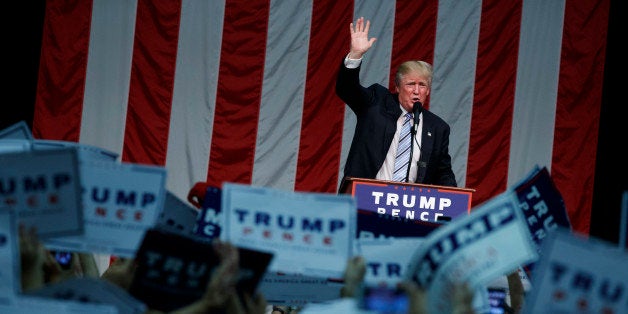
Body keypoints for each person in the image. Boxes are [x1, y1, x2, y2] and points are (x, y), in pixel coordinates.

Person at [336, 17, 457, 189]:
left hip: (409, 209)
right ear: (398, 87)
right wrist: (355, 55)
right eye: (410, 84)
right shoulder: (376, 103)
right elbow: (346, 89)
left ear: (428, 90)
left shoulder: (437, 128)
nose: (416, 91)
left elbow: (443, 172)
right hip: (365, 199)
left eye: (422, 85)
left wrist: (454, 200)